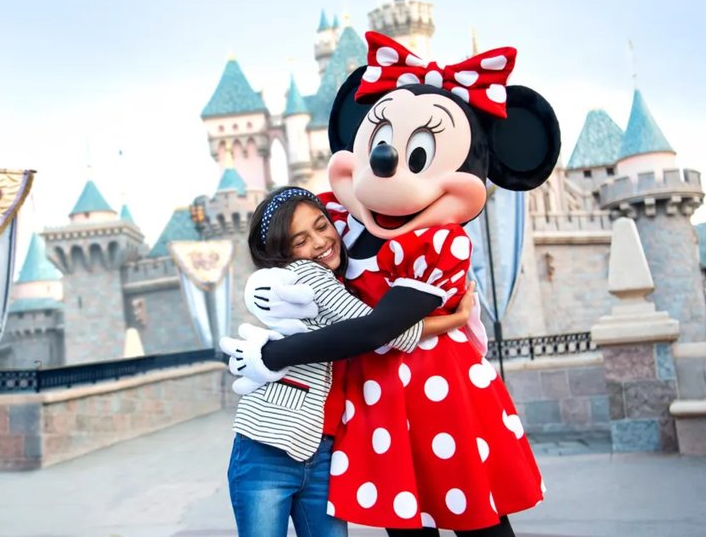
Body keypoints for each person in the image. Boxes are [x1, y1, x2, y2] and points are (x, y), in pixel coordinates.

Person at [223, 31, 562, 535]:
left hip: (441, 392)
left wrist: (275, 355)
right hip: (374, 397)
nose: (387, 166)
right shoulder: (340, 221)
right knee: (403, 521)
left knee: (474, 515)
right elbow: (291, 229)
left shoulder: (439, 245)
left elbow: (375, 329)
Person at [226, 185, 475, 537]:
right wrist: (456, 317)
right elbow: (379, 331)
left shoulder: (332, 280)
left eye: (321, 225)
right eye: (300, 240)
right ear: (284, 253)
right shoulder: (309, 276)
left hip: (320, 452)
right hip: (270, 449)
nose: (318, 241)